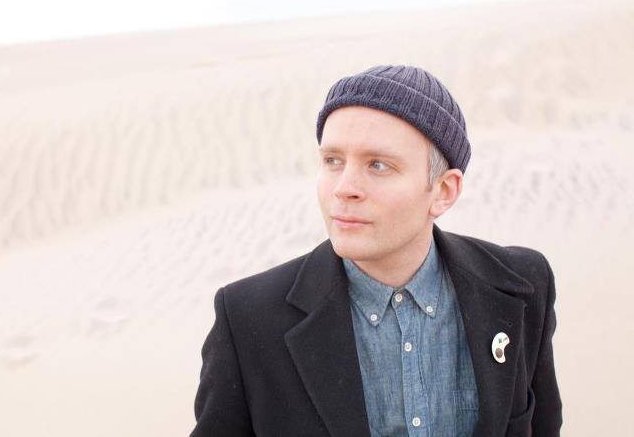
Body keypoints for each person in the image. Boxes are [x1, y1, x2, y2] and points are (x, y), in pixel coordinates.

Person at [191, 65, 562, 436]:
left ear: (444, 191)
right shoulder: (248, 319)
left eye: (378, 165)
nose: (344, 188)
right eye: (333, 161)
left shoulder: (523, 285)